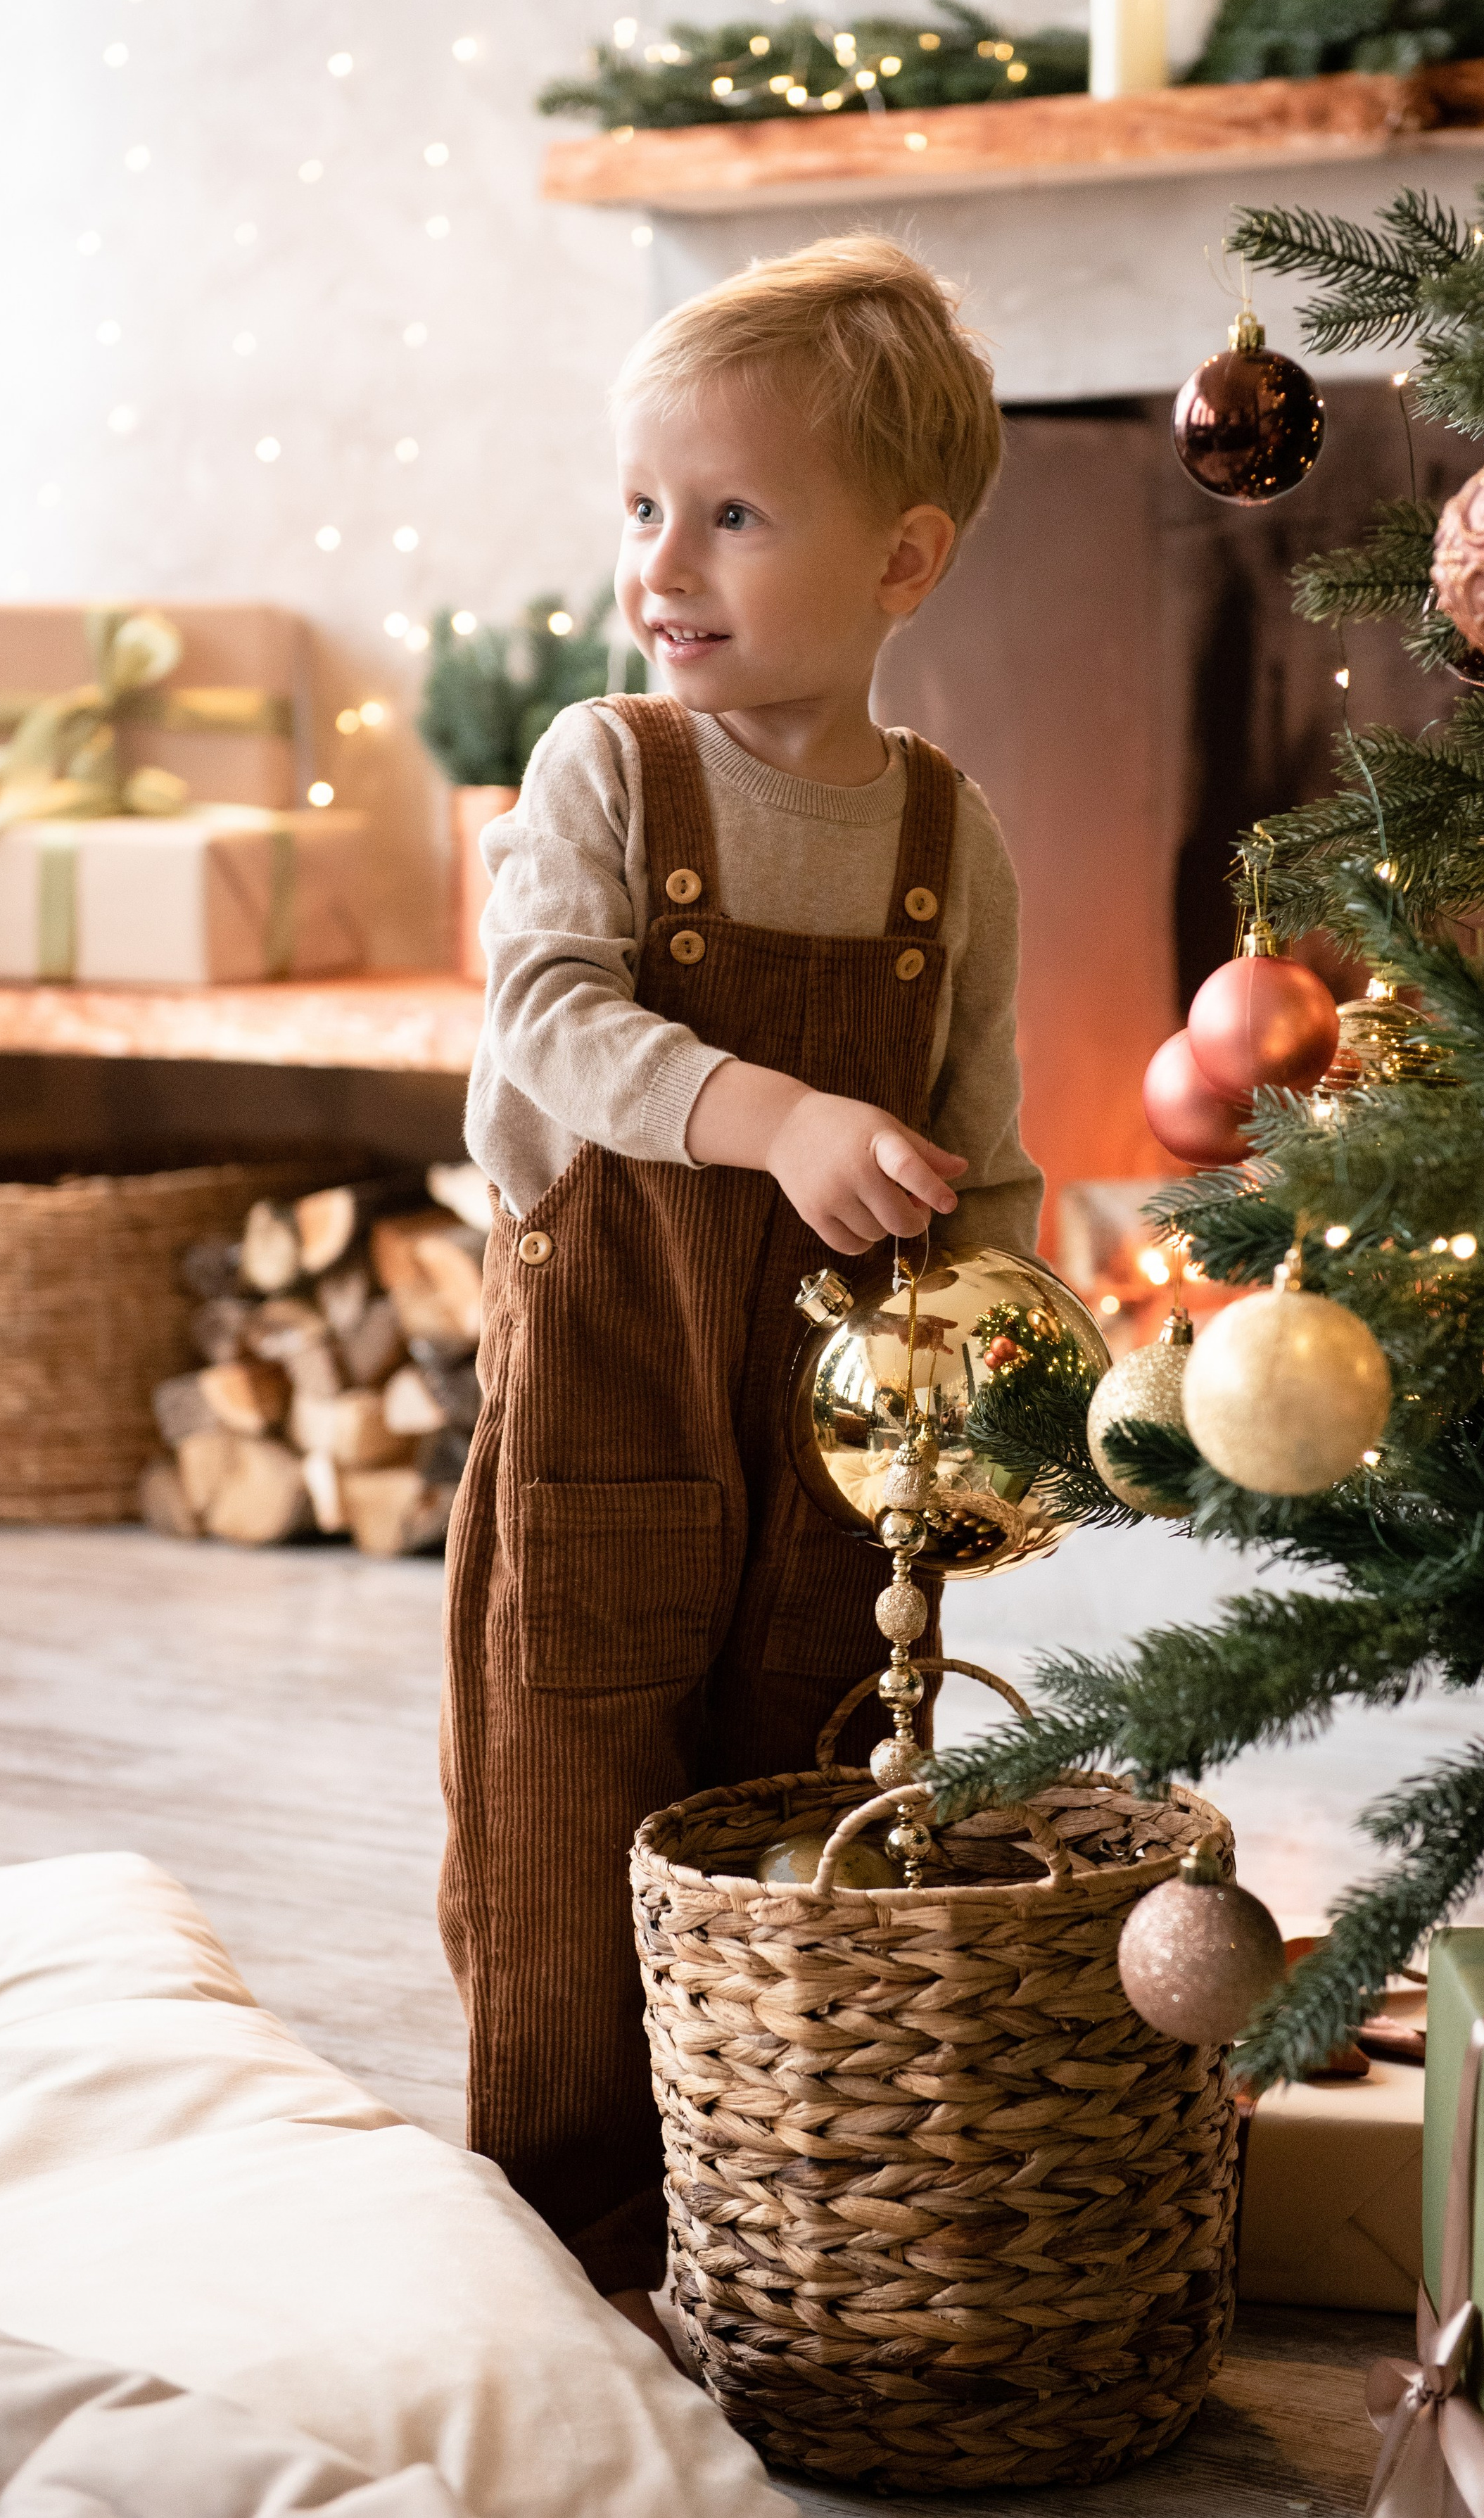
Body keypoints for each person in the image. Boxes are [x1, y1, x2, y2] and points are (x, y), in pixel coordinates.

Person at [440, 233, 1044, 2349]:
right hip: (614, 1382)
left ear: (905, 556)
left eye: (729, 513)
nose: (660, 562)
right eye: (639, 508)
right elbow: (547, 1023)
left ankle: (797, 2189)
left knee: (809, 1763)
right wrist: (777, 1114)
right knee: (571, 1780)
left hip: (838, 1438)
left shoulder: (950, 840)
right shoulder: (612, 770)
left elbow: (991, 1139)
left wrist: (1014, 1359)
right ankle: (577, 2236)